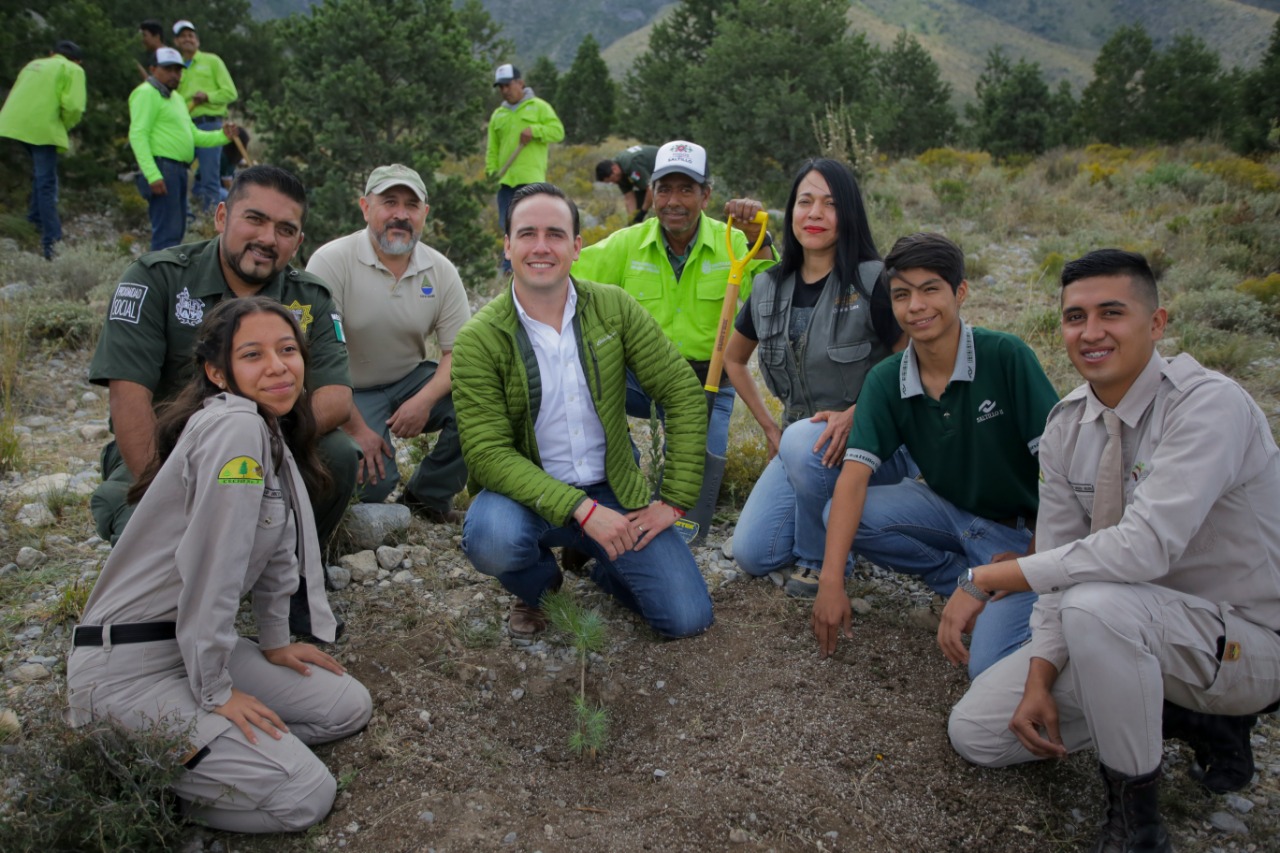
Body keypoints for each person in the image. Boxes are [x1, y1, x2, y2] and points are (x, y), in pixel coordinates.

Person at [945, 250, 1280, 853]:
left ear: (1157, 323)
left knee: (1097, 604)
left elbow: (1142, 550)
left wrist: (998, 576)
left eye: (1111, 313)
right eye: (1075, 317)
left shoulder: (1209, 406)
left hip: (1242, 641)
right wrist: (1040, 675)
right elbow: (1059, 567)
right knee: (979, 734)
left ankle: (1136, 825)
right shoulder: (1066, 426)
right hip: (1121, 629)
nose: (1091, 332)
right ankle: (1177, 714)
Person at [67, 297, 372, 833]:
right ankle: (141, 776)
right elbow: (215, 565)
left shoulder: (265, 426)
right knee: (306, 796)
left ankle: (224, 758)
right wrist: (216, 692)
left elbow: (277, 548)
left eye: (287, 350)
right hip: (130, 667)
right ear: (217, 372)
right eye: (252, 355)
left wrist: (275, 640)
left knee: (345, 706)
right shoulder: (234, 430)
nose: (277, 367)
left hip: (191, 647)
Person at [89, 164, 358, 637]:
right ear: (221, 217)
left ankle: (293, 577)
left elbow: (335, 397)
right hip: (170, 449)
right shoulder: (157, 278)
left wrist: (254, 439)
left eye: (285, 229)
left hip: (272, 442)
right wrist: (168, 488)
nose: (267, 239)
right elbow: (128, 397)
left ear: (298, 241)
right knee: (137, 518)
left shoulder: (309, 296)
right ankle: (179, 600)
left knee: (337, 454)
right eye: (254, 219)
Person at [452, 183, 713, 639]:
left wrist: (673, 500)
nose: (541, 247)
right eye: (527, 234)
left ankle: (593, 559)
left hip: (612, 489)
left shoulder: (613, 307)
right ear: (508, 246)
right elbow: (487, 453)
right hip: (526, 496)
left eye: (555, 234)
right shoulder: (480, 338)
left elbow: (682, 392)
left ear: (576, 247)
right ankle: (539, 587)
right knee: (492, 538)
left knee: (686, 618)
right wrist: (581, 509)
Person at [812, 232, 1058, 677]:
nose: (916, 306)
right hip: (948, 511)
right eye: (902, 294)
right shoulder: (887, 378)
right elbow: (853, 478)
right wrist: (831, 581)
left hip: (1022, 537)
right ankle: (960, 581)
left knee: (986, 667)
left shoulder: (1006, 357)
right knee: (842, 513)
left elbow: (1061, 474)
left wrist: (1031, 556)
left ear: (960, 292)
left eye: (930, 289)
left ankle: (992, 588)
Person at [727, 158, 907, 599]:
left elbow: (911, 359)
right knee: (753, 554)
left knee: (803, 445)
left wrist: (858, 413)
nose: (815, 214)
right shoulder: (768, 286)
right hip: (801, 445)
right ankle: (839, 519)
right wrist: (771, 429)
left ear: (849, 213)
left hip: (874, 443)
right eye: (805, 202)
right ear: (791, 212)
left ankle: (823, 556)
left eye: (830, 204)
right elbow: (733, 359)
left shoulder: (874, 280)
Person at [572, 140, 775, 464]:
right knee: (573, 374)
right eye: (664, 190)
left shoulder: (735, 242)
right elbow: (565, 274)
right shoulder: (628, 243)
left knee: (693, 481)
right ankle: (621, 467)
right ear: (652, 193)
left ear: (705, 196)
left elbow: (774, 303)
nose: (673, 202)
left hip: (706, 385)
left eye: (685, 190)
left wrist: (759, 239)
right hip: (642, 381)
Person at [306, 164, 471, 522]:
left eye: (412, 205)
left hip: (409, 379)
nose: (401, 214)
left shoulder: (441, 270)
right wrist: (355, 427)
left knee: (480, 399)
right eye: (389, 202)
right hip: (349, 388)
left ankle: (428, 496)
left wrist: (424, 401)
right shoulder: (331, 261)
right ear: (366, 208)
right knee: (373, 486)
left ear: (425, 214)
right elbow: (312, 355)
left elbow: (457, 352)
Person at [128, 46, 235, 251]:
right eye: (168, 69)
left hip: (177, 170)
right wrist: (152, 175)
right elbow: (138, 134)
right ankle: (158, 271)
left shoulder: (175, 98)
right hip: (162, 168)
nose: (174, 75)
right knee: (166, 233)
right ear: (153, 69)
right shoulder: (146, 93)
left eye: (177, 70)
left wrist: (223, 136)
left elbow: (193, 135)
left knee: (176, 231)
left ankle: (165, 270)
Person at [0, 40, 86, 260]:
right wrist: (64, 125)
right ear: (78, 61)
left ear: (51, 53)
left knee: (41, 177)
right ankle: (52, 245)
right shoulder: (73, 69)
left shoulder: (34, 64)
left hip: (13, 125)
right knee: (47, 183)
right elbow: (74, 107)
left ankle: (34, 221)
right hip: (42, 129)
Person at [485, 63, 563, 271]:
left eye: (508, 85)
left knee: (531, 225)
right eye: (501, 87)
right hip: (504, 181)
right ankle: (509, 268)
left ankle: (533, 265)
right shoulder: (498, 115)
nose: (505, 90)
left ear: (520, 83)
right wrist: (491, 175)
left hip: (531, 180)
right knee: (507, 225)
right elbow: (492, 149)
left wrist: (535, 131)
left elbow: (558, 131)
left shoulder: (539, 107)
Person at [173, 19, 238, 211]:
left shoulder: (212, 61)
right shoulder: (175, 67)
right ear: (176, 42)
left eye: (190, 35)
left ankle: (212, 218)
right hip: (183, 125)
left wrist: (208, 96)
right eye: (182, 36)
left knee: (210, 177)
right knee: (176, 171)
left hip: (208, 124)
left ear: (197, 40)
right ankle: (184, 214)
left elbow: (230, 93)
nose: (187, 39)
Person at [595, 144, 659, 223]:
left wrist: (643, 212)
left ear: (614, 169)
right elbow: (629, 197)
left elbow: (650, 188)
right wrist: (632, 219)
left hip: (665, 168)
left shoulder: (630, 165)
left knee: (652, 200)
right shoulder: (619, 174)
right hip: (652, 178)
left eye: (611, 180)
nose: (613, 183)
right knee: (639, 205)